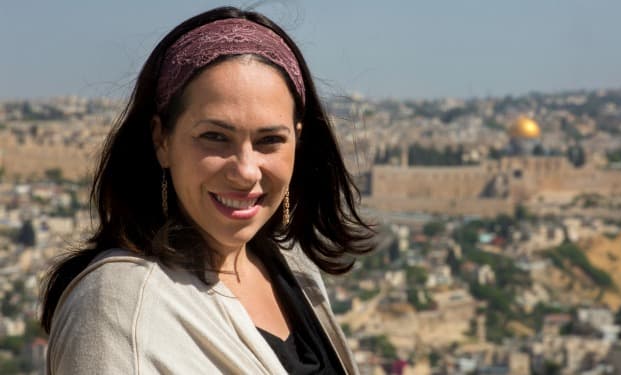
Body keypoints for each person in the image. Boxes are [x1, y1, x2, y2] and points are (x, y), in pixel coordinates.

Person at [41, 6, 374, 374]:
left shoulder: (290, 268)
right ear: (161, 140)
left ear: (297, 140)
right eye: (214, 137)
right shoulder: (119, 309)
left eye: (269, 141)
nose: (246, 171)